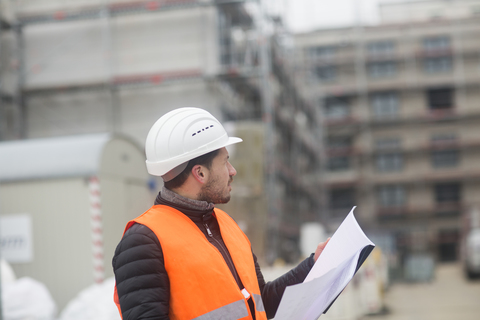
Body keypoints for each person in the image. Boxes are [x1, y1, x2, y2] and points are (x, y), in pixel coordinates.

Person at [112, 107, 329, 320]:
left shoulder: (225, 224)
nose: (233, 171)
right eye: (225, 161)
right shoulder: (142, 242)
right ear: (200, 173)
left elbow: (260, 302)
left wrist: (313, 266)